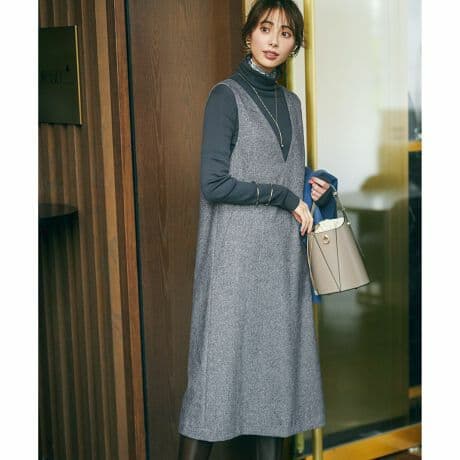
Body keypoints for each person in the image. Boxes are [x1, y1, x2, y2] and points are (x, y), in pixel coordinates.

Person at [177, 1, 334, 459]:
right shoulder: (225, 97)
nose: (273, 41)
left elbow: (285, 172)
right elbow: (214, 184)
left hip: (282, 263)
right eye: (266, 29)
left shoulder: (292, 103)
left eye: (285, 34)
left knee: (276, 388)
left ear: (294, 45)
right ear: (248, 35)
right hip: (234, 263)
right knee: (213, 389)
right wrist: (285, 197)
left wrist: (313, 185)